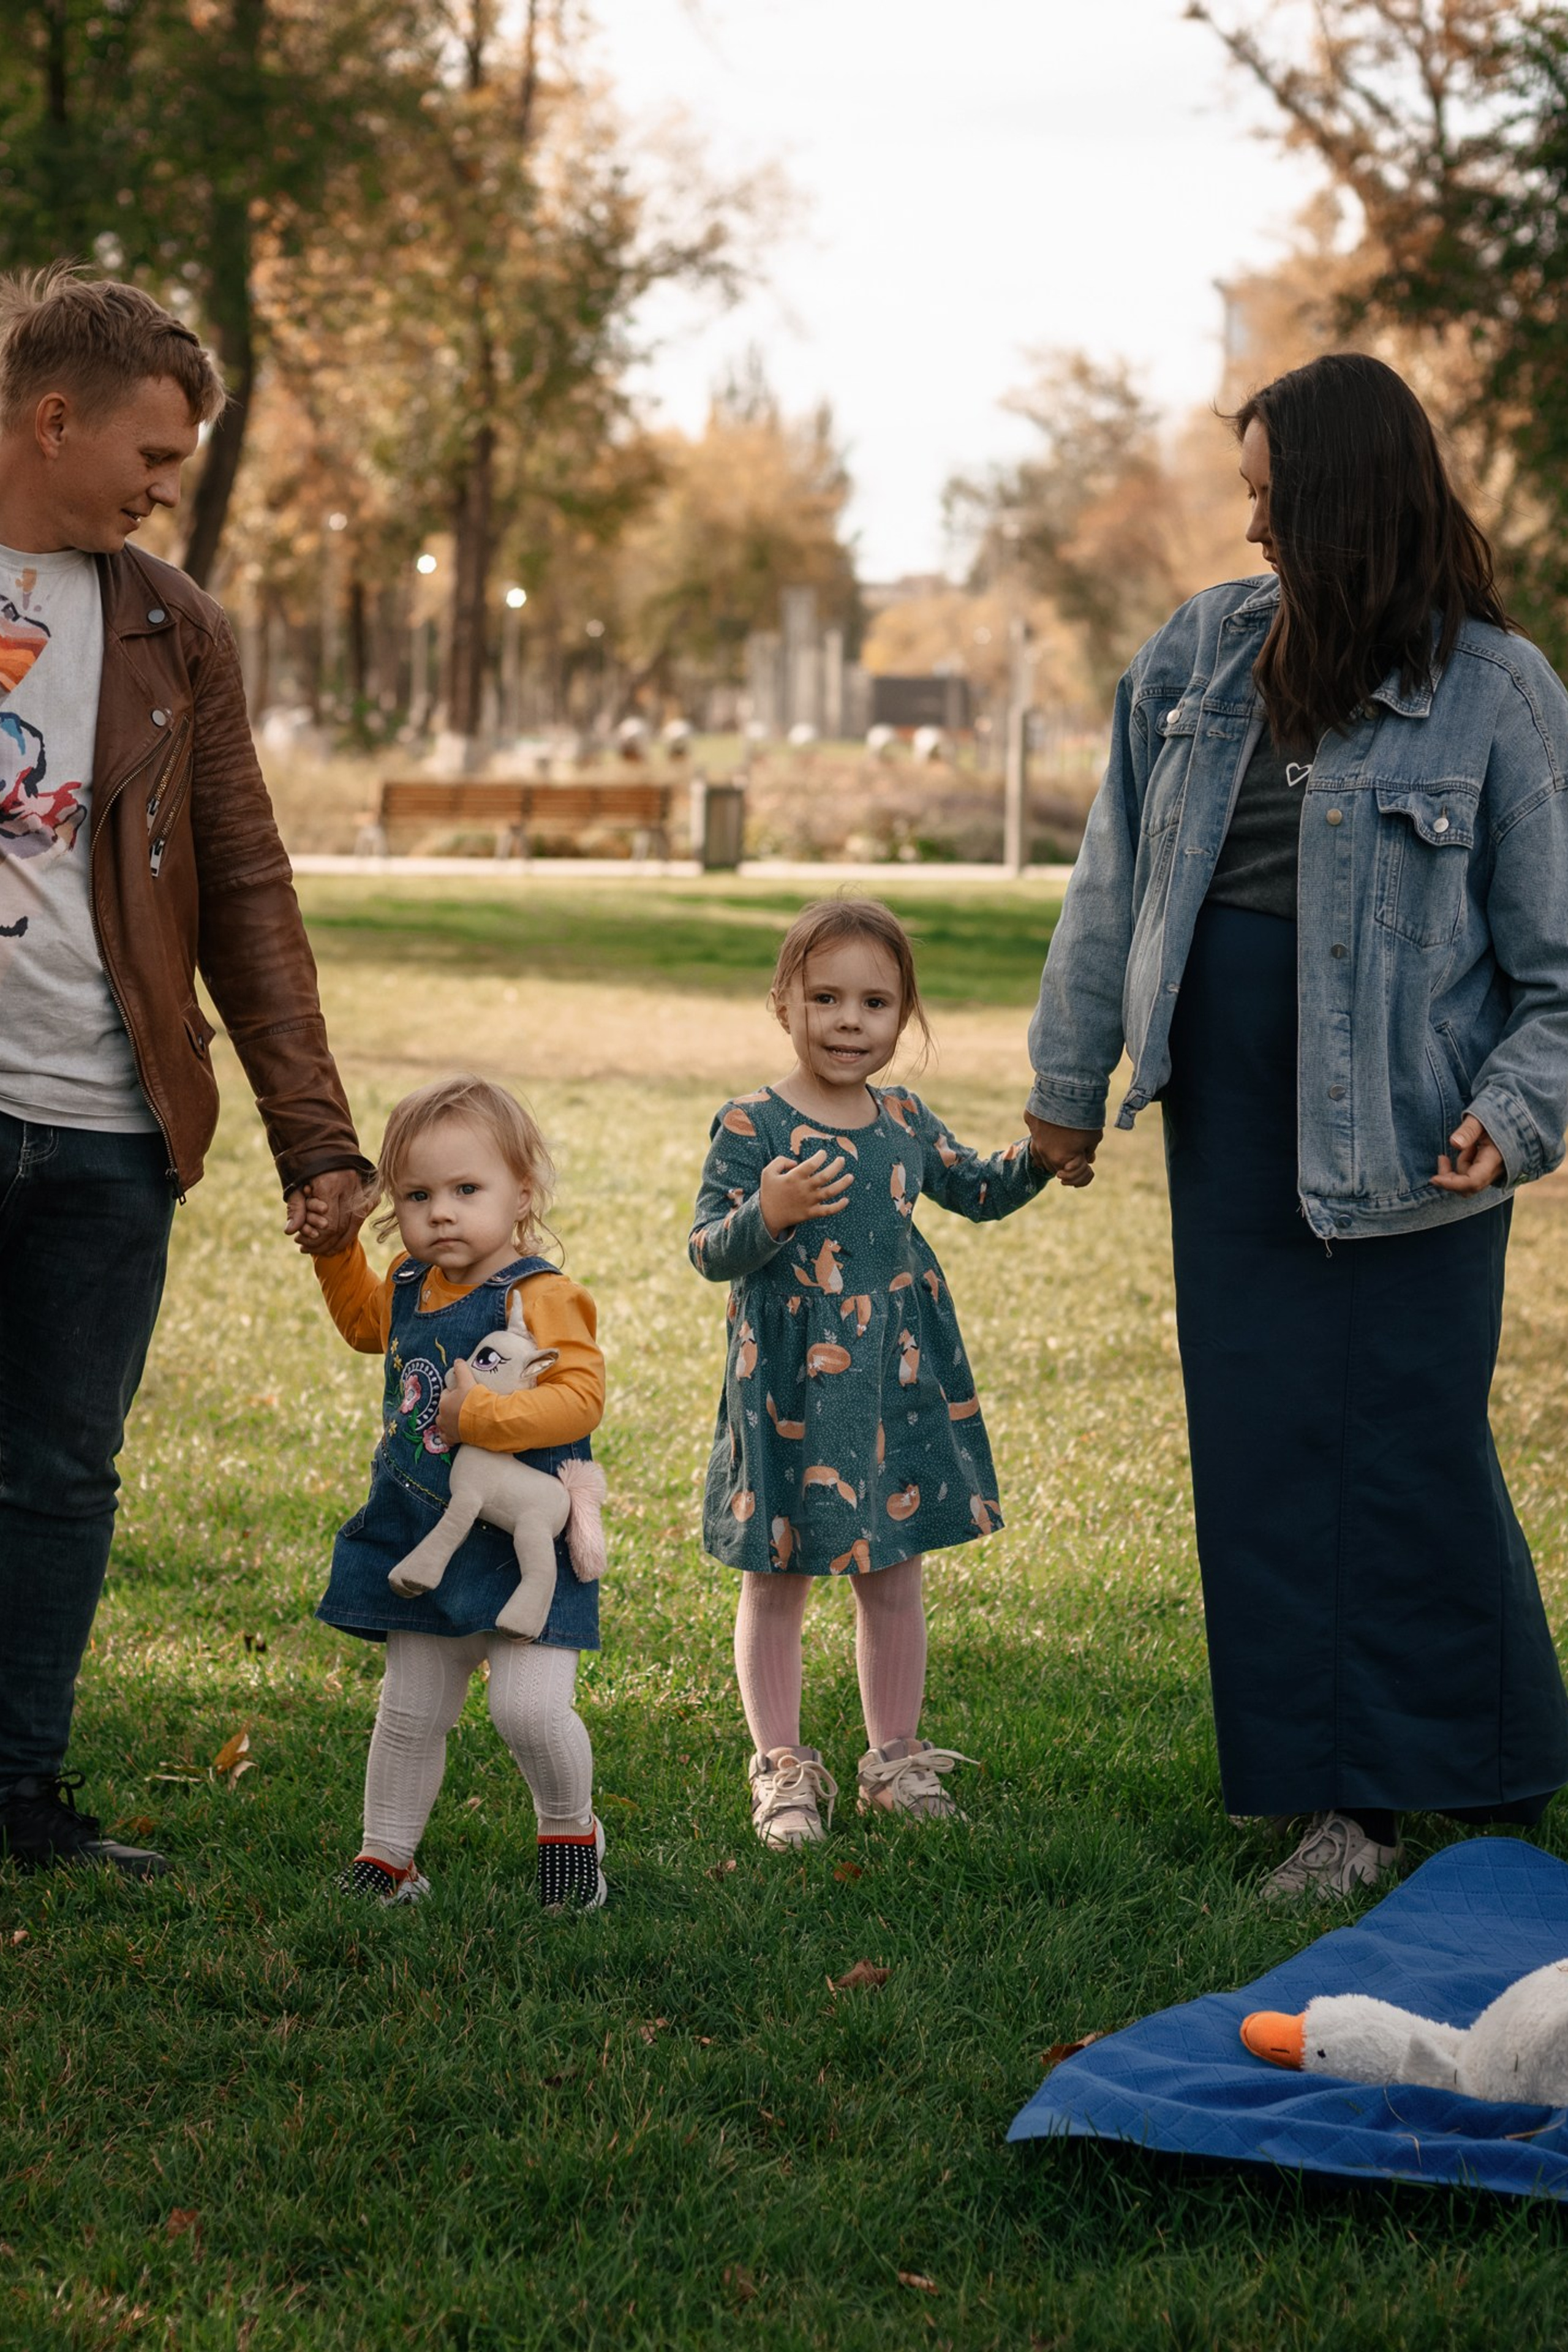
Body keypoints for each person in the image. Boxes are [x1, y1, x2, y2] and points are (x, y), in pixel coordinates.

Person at [1027, 352, 1568, 1900]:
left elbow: (1554, 970)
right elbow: (1109, 879)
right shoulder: (1201, 651)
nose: (1249, 526)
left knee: (1404, 1456)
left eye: (1272, 494)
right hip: (1231, 1129)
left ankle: (1371, 1806)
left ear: (1342, 499)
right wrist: (1067, 1094)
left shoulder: (1496, 692)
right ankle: (1441, 1769)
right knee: (1266, 1458)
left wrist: (1511, 1117)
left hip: (1414, 1135)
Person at [0, 266, 369, 1879]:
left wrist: (315, 1136)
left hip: (101, 1124)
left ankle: (14, 1797)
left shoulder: (168, 623)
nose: (168, 488)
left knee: (60, 1478)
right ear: (52, 416)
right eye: (152, 454)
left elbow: (245, 879)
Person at [689, 898, 1072, 1848]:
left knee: (894, 1569)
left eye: (874, 1002)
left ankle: (893, 1761)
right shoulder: (753, 1125)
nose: (850, 1021)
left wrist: (1042, 1158)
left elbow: (974, 1187)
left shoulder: (902, 1117)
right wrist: (767, 1214)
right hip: (788, 1387)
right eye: (826, 997)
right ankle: (781, 1770)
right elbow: (708, 1250)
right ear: (784, 1002)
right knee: (778, 1572)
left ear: (904, 1016)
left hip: (893, 1381)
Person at [306, 1074, 609, 1910]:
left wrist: (487, 1419)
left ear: (521, 1194)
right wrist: (337, 1252)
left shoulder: (540, 1295)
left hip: (524, 1541)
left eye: (466, 1190)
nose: (440, 1213)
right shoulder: (409, 1281)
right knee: (410, 1708)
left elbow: (580, 1396)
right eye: (417, 1195)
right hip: (424, 1530)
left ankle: (570, 1832)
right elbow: (368, 1325)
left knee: (529, 1712)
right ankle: (389, 1856)